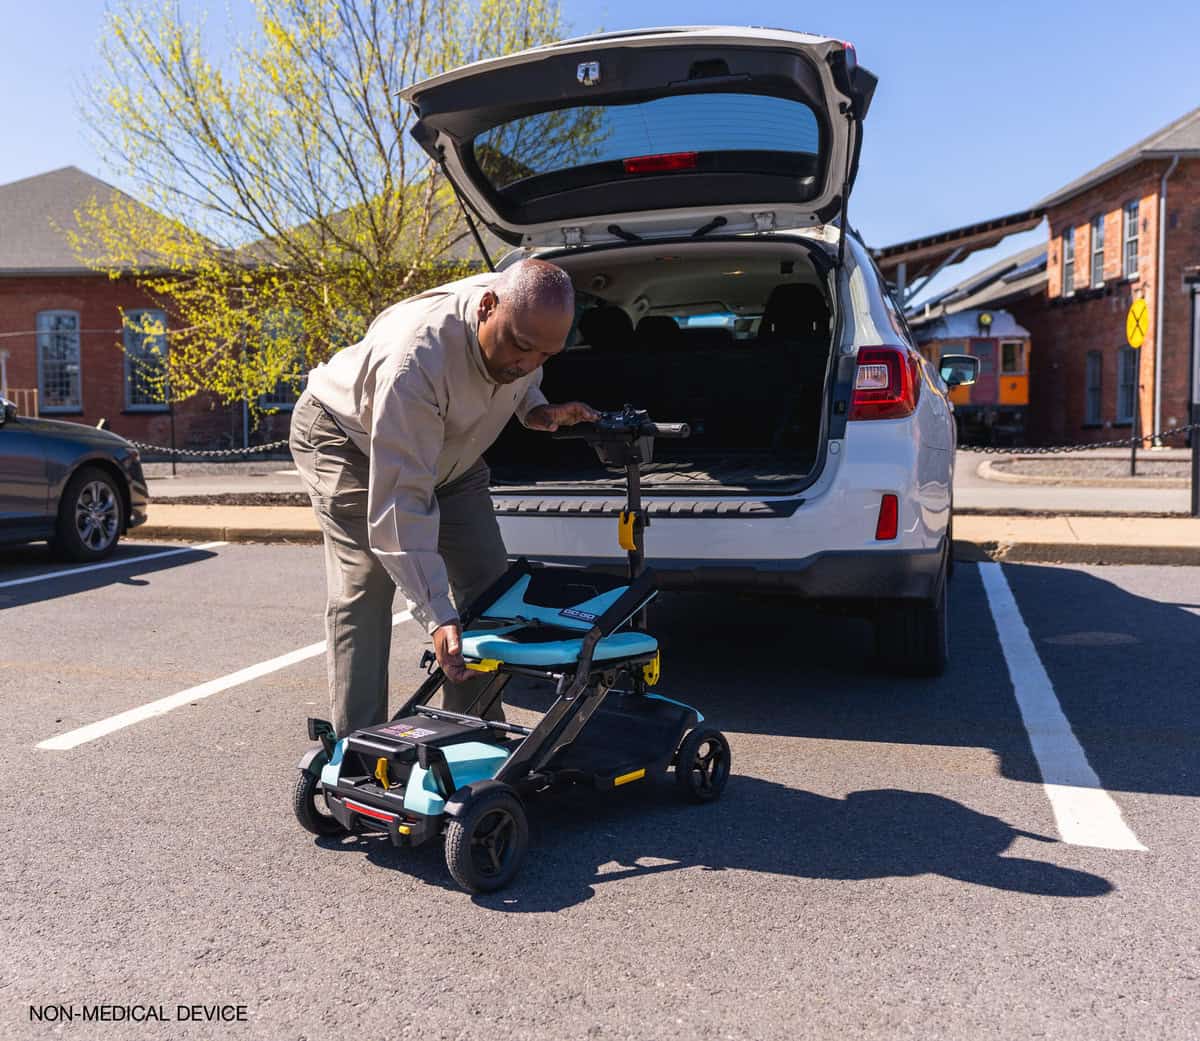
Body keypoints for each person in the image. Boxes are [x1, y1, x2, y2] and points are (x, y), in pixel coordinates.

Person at [290, 259, 597, 736]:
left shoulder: (520, 331)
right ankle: (356, 750)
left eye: (545, 355)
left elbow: (523, 369)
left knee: (489, 585)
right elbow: (400, 504)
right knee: (367, 585)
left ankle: (469, 729)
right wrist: (436, 614)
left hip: (449, 446)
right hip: (346, 438)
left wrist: (535, 408)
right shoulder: (416, 364)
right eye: (521, 347)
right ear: (488, 307)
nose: (528, 364)